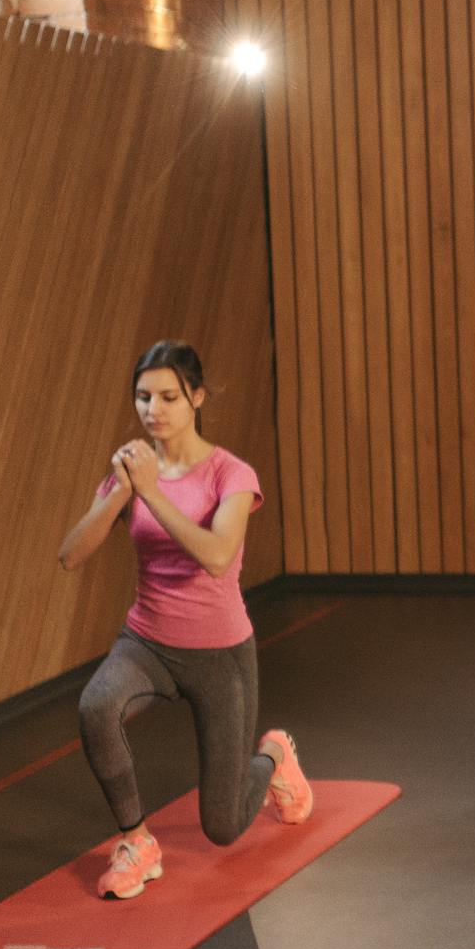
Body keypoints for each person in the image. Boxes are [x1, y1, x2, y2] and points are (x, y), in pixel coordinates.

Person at [57, 343, 312, 900]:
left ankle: (274, 755)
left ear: (196, 398)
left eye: (169, 396)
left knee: (222, 826)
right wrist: (119, 493)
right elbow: (71, 555)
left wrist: (150, 492)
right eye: (144, 397)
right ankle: (136, 841)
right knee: (96, 706)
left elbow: (218, 556)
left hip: (220, 653)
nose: (155, 409)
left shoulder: (231, 474)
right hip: (147, 641)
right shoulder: (133, 471)